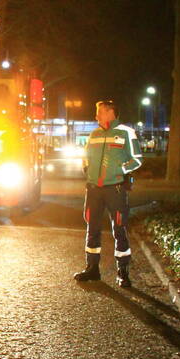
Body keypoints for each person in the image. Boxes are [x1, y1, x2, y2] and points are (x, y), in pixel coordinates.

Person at [73, 99, 143, 288]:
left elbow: (137, 159)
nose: (96, 116)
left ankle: (123, 272)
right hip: (94, 189)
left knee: (119, 229)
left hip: (116, 189)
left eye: (100, 112)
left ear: (111, 112)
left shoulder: (126, 132)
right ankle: (92, 269)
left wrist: (119, 170)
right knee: (92, 228)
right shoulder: (94, 134)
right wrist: (87, 169)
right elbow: (85, 156)